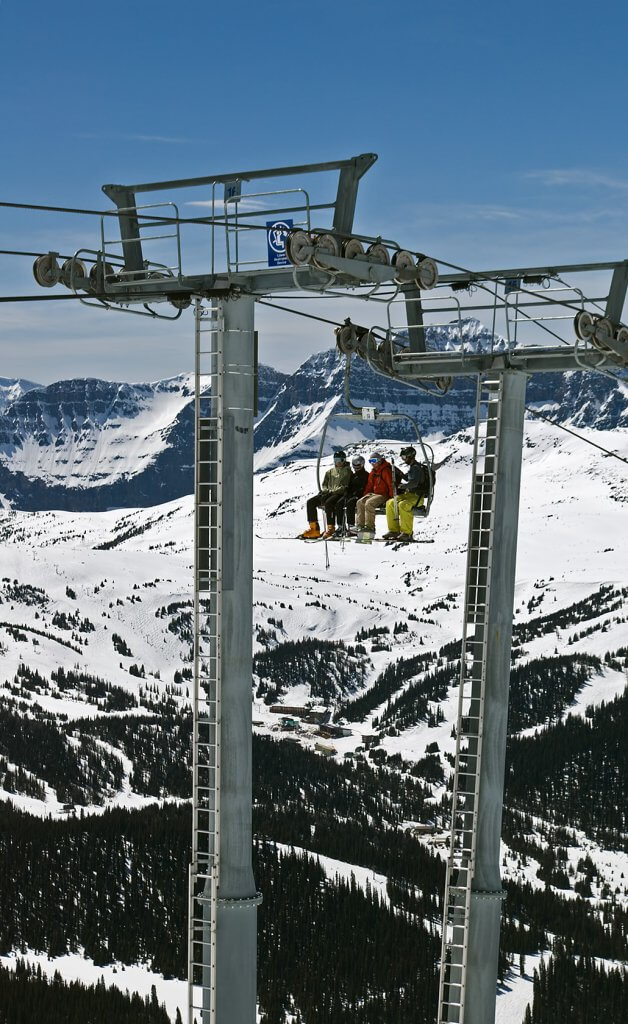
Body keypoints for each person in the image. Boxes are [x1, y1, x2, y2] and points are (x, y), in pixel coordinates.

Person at [300, 450, 352, 539]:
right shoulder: (330, 472)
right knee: (311, 502)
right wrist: (326, 490)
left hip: (339, 494)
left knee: (329, 503)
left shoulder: (347, 471)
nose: (338, 462)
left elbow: (344, 486)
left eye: (340, 460)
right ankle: (314, 528)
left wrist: (332, 491)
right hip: (328, 493)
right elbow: (324, 484)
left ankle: (331, 528)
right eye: (336, 460)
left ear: (344, 460)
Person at [383, 445, 431, 543]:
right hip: (409, 495)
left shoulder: (416, 468)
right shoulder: (412, 468)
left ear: (410, 456)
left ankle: (407, 533)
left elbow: (413, 483)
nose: (404, 460)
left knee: (403, 505)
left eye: (404, 457)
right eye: (402, 458)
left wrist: (402, 486)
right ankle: (394, 530)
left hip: (417, 497)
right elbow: (408, 478)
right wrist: (398, 472)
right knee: (390, 503)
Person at [355, 452, 394, 540]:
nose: (372, 463)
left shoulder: (385, 470)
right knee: (360, 502)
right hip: (375, 494)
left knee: (369, 503)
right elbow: (369, 485)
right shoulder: (373, 472)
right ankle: (360, 526)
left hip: (384, 495)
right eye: (370, 461)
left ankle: (369, 527)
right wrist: (365, 495)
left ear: (379, 460)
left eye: (374, 460)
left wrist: (391, 497)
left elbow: (390, 484)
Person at [331, 455, 369, 536]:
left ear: (362, 465)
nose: (356, 468)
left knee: (350, 503)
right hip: (351, 495)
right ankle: (341, 526)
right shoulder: (353, 476)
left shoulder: (366, 475)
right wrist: (346, 491)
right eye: (354, 466)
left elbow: (365, 487)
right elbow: (349, 486)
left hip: (360, 496)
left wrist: (356, 494)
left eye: (358, 466)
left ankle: (351, 526)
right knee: (339, 503)